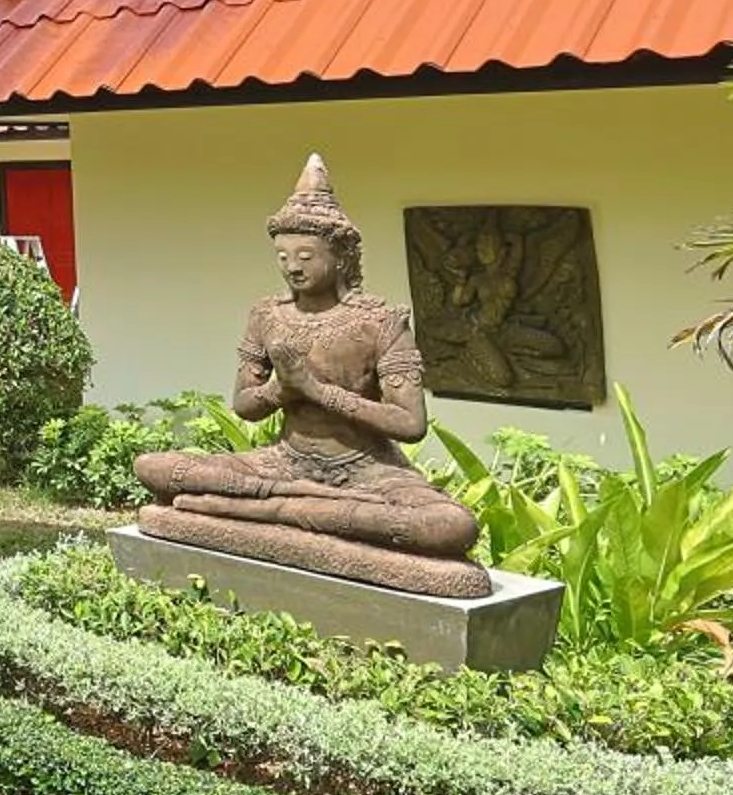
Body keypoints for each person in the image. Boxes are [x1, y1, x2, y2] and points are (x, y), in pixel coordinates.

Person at [132, 155, 487, 597]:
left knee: (451, 526)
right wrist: (281, 389)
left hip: (367, 471)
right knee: (152, 467)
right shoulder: (266, 314)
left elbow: (410, 425)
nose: (292, 267)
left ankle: (268, 507)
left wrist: (316, 390)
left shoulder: (381, 321)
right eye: (283, 256)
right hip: (282, 461)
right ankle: (297, 502)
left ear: (339, 258)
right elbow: (244, 405)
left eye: (305, 255)